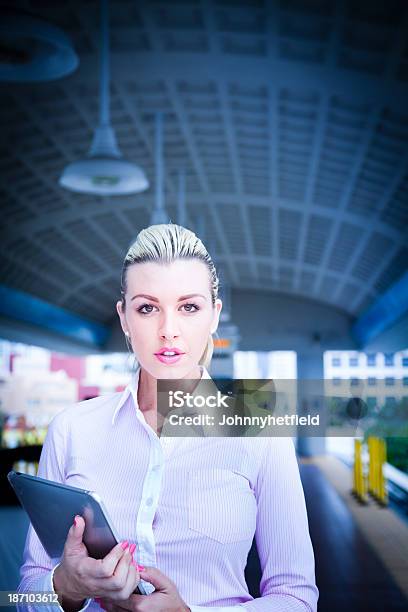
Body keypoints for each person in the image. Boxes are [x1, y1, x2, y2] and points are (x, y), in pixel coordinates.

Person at [17, 223, 319, 612]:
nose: (168, 331)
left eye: (189, 307)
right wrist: (65, 586)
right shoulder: (72, 429)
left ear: (214, 316)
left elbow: (297, 600)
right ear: (124, 318)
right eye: (147, 308)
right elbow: (21, 594)